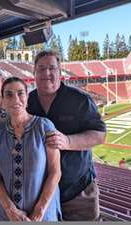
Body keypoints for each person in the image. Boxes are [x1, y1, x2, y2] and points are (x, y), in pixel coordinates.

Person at [27, 50, 106, 221]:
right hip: (40, 194)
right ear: (34, 73)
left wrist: (68, 141)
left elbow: (99, 135)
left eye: (51, 68)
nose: (46, 73)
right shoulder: (27, 102)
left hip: (78, 192)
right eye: (41, 69)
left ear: (60, 72)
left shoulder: (79, 99)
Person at [0, 77, 62, 222]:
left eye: (20, 93)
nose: (15, 99)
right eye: (9, 95)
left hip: (42, 215)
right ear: (3, 101)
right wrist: (10, 209)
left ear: (27, 97)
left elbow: (55, 171)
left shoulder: (44, 126)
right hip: (5, 215)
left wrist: (39, 210)